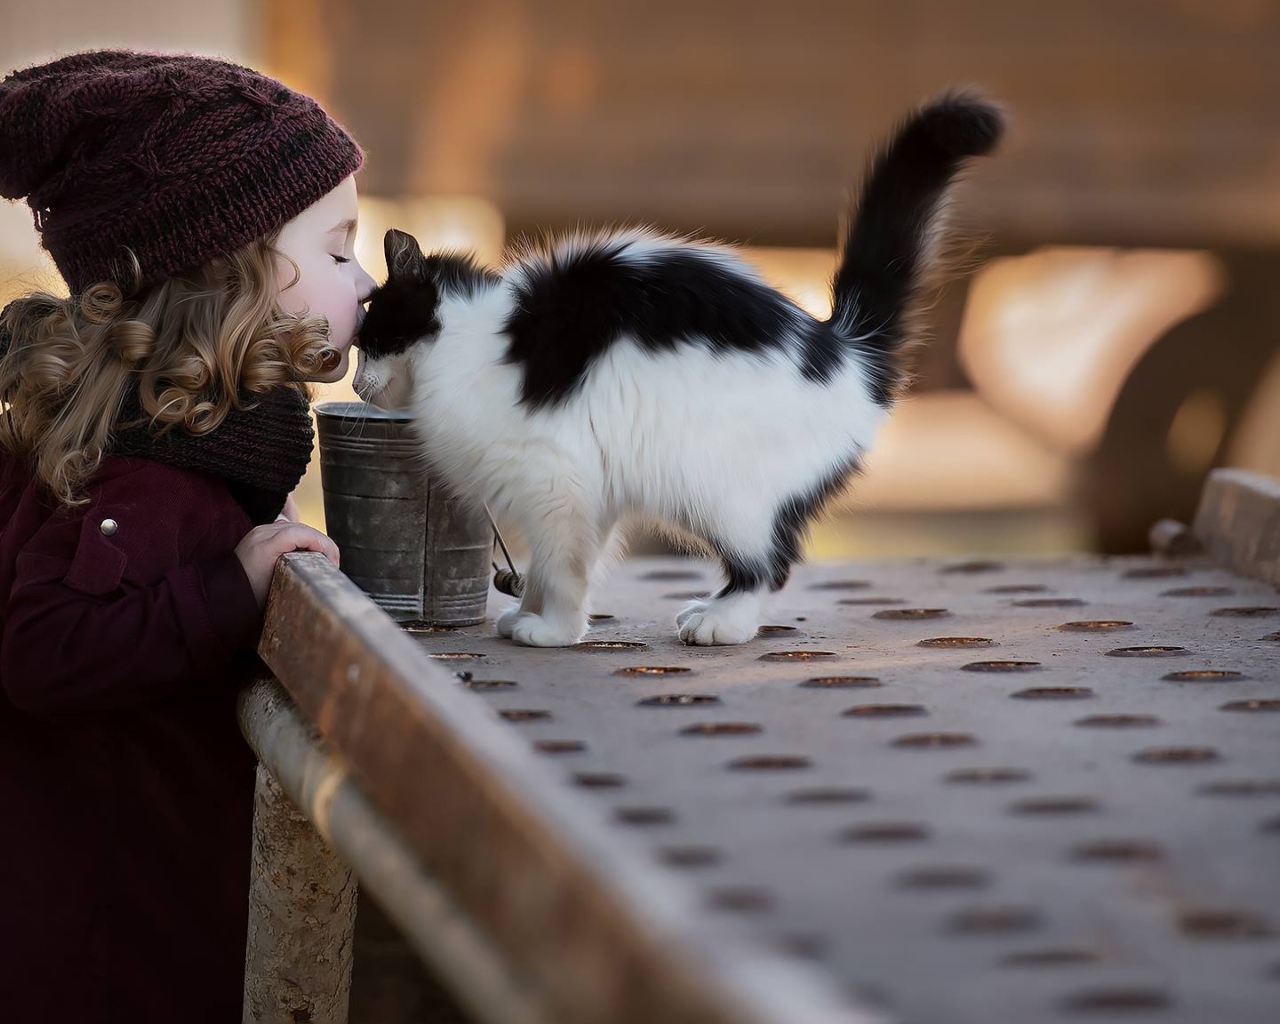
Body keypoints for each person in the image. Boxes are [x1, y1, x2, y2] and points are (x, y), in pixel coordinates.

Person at [0, 50, 377, 1022]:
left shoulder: (190, 433)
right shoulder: (146, 457)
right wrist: (231, 585)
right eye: (338, 251)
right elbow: (45, 648)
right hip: (105, 929)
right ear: (233, 270)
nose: (365, 278)